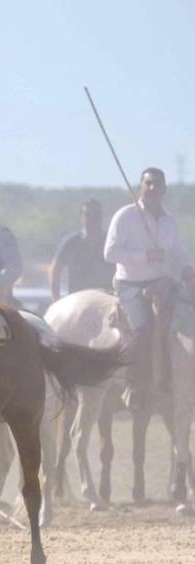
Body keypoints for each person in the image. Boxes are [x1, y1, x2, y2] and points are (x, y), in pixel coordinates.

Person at [104, 167, 193, 406]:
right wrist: (145, 255)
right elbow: (110, 253)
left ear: (164, 189)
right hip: (130, 284)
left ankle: (171, 377)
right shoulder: (125, 216)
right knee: (143, 327)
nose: (152, 188)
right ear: (140, 186)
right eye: (148, 183)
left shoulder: (170, 222)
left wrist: (187, 268)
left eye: (157, 184)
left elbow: (180, 253)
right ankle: (134, 385)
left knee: (183, 320)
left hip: (162, 283)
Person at [50, 199, 112, 300]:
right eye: (88, 214)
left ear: (101, 217)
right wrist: (56, 299)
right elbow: (55, 270)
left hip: (106, 298)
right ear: (81, 216)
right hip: (77, 299)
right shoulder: (70, 243)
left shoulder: (111, 242)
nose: (92, 218)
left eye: (96, 214)